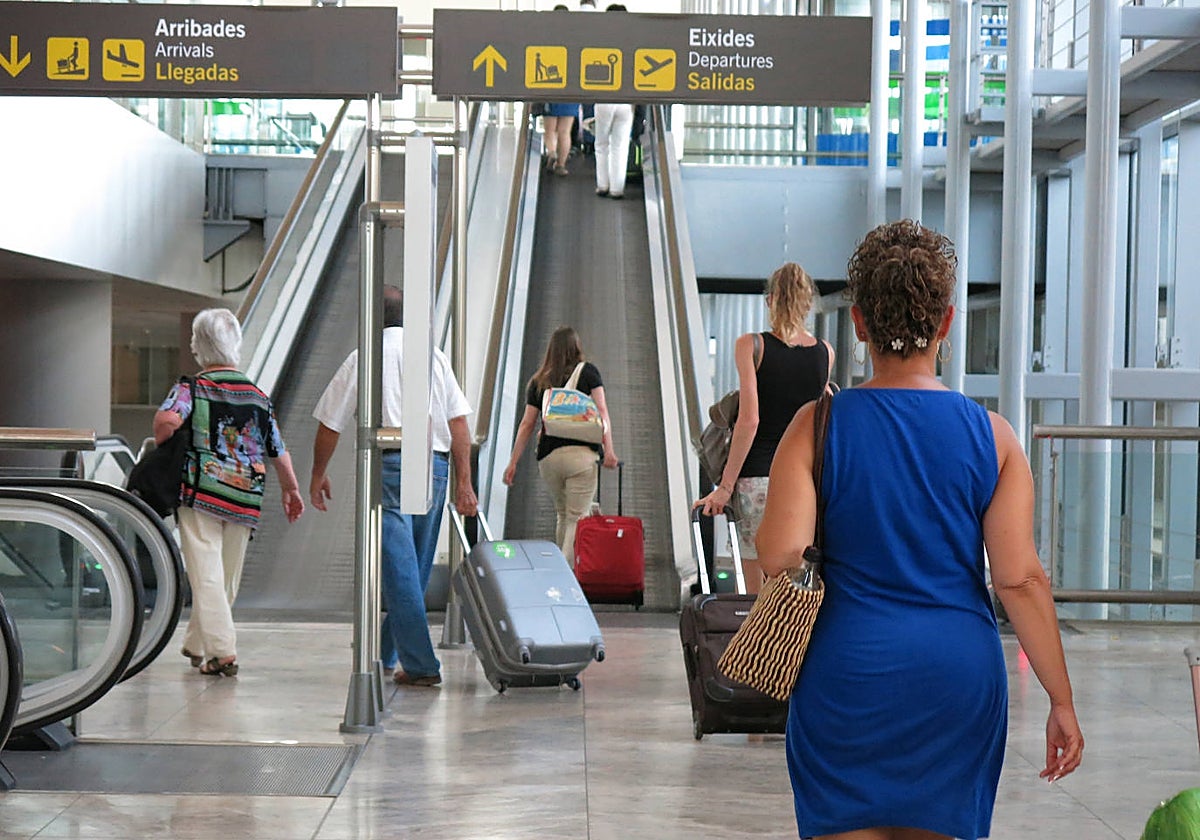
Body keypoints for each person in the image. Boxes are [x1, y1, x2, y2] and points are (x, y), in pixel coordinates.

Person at [757, 220, 1084, 840]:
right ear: (946, 322)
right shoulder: (993, 436)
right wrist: (1060, 700)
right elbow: (1019, 580)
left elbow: (779, 554)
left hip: (843, 673)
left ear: (857, 324)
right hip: (955, 677)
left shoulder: (816, 426)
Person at [310, 286, 477, 688]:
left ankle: (420, 664)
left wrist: (318, 473)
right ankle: (388, 651)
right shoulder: (432, 357)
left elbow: (330, 422)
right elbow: (459, 425)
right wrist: (464, 483)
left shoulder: (365, 357)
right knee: (413, 569)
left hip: (392, 465)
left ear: (372, 317)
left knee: (400, 570)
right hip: (435, 467)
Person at [154, 308, 305, 677]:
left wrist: (167, 449)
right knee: (225, 577)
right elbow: (277, 448)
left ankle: (222, 651)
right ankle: (198, 644)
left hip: (201, 489)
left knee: (206, 573)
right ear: (235, 344)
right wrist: (292, 488)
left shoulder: (193, 387)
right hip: (246, 494)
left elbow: (166, 421)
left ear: (197, 346)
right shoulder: (257, 395)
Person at [695, 262, 833, 593]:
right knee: (791, 589)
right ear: (807, 303)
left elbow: (750, 419)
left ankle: (758, 644)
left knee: (754, 595)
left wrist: (725, 487)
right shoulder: (824, 353)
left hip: (755, 482)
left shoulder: (752, 346)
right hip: (802, 485)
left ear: (770, 300)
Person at [503, 326, 617, 566]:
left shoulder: (539, 380)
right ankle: (565, 573)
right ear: (576, 347)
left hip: (549, 459)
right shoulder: (588, 373)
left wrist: (513, 462)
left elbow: (527, 424)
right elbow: (602, 412)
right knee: (577, 518)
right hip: (582, 456)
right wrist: (609, 450)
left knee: (563, 515)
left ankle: (560, 569)